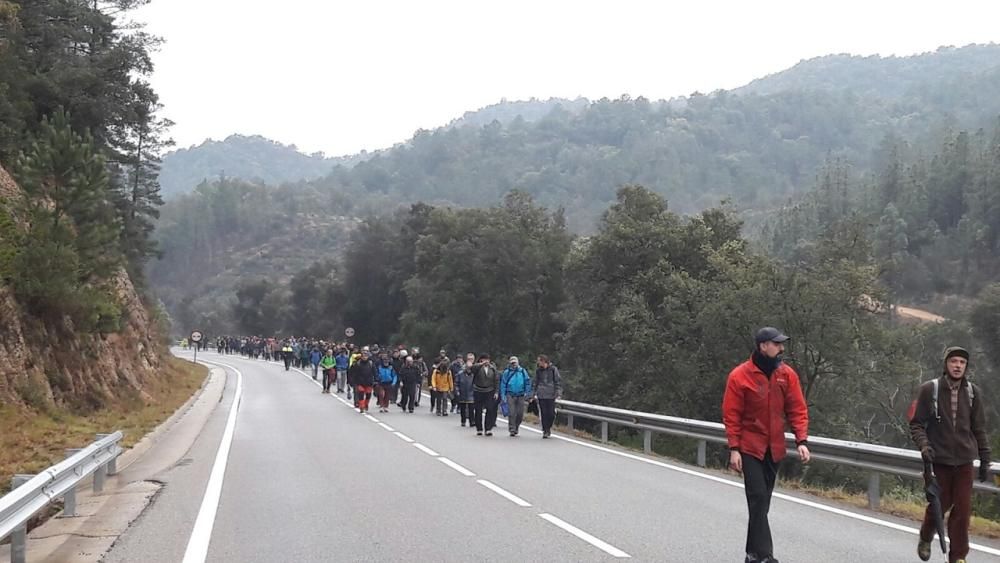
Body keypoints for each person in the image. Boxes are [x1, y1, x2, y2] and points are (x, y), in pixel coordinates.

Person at [722, 327, 810, 563]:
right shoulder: (740, 376)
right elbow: (731, 414)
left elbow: (797, 409)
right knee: (758, 496)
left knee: (762, 504)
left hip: (775, 448)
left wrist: (801, 440)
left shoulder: (786, 375)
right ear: (763, 346)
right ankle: (765, 556)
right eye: (776, 344)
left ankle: (752, 554)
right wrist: (734, 448)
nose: (781, 348)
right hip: (749, 447)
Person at [910, 346, 990, 563]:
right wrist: (925, 447)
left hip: (964, 461)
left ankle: (958, 557)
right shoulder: (930, 389)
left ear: (966, 366)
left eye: (962, 362)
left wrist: (984, 458)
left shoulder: (973, 393)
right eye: (953, 361)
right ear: (946, 364)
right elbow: (916, 424)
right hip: (939, 460)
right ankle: (926, 536)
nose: (958, 366)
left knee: (962, 512)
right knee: (939, 505)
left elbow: (979, 428)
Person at [500, 356, 532, 437]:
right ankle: (512, 429)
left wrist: (527, 392)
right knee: (511, 412)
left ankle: (516, 426)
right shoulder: (507, 372)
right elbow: (503, 384)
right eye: (512, 363)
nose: (514, 364)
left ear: (518, 363)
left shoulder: (522, 371)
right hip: (510, 394)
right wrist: (503, 395)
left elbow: (527, 382)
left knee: (520, 414)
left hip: (520, 394)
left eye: (515, 362)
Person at [469, 354, 500, 436]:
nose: (486, 361)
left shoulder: (492, 368)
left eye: (487, 359)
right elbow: (471, 369)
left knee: (490, 409)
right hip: (478, 390)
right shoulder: (477, 367)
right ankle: (479, 428)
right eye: (484, 359)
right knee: (478, 410)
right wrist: (481, 364)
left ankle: (488, 428)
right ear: (481, 360)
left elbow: (496, 380)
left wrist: (496, 392)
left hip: (489, 391)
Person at [533, 354, 562, 438]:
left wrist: (558, 393)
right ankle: (546, 430)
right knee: (544, 413)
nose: (538, 363)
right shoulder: (538, 371)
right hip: (541, 395)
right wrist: (533, 393)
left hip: (551, 395)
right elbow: (535, 382)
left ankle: (548, 426)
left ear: (543, 361)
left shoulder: (553, 369)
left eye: (539, 361)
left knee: (551, 413)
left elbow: (558, 382)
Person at [454, 354, 476, 427]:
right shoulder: (460, 374)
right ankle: (463, 421)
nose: (469, 369)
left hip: (471, 393)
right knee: (462, 408)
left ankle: (472, 421)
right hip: (462, 393)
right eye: (467, 368)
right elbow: (456, 383)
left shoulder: (474, 374)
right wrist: (457, 391)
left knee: (471, 409)